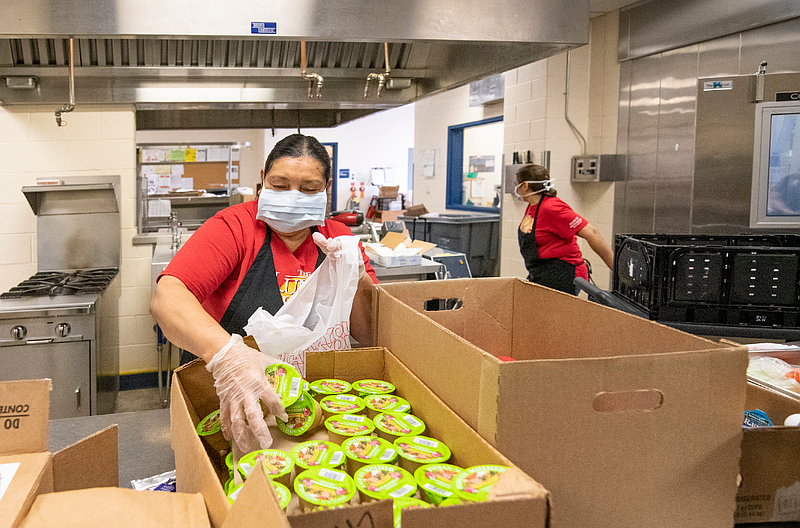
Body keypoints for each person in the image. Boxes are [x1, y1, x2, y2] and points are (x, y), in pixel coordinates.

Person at [150, 133, 378, 453]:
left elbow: (369, 333)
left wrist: (354, 275)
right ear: (262, 181)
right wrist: (227, 356)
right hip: (234, 403)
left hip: (314, 413)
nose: (293, 196)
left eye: (309, 189)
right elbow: (167, 298)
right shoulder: (235, 228)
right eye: (280, 185)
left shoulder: (338, 238)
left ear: (326, 190)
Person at [514, 164, 614, 295]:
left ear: (525, 186)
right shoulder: (533, 206)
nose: (514, 187)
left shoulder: (552, 208)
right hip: (542, 272)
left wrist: (617, 272)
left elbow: (592, 233)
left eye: (516, 183)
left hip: (563, 273)